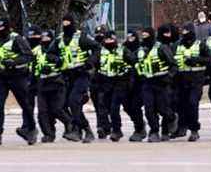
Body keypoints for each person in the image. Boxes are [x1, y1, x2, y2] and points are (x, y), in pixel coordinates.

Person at [0, 17, 36, 146]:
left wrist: (14, 62)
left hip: (17, 76)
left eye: (2, 27)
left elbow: (28, 56)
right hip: (2, 77)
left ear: (7, 27)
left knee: (25, 104)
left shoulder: (17, 39)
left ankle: (31, 129)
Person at [59, 13, 100, 143]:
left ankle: (86, 130)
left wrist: (90, 62)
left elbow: (96, 48)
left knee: (74, 101)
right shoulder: (60, 39)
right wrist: (54, 59)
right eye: (64, 23)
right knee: (63, 104)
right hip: (66, 76)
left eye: (68, 23)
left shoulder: (80, 37)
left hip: (81, 74)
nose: (66, 25)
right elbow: (51, 52)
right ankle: (77, 127)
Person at [96, 30, 138, 141]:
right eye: (107, 39)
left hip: (121, 82)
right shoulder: (101, 51)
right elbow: (93, 62)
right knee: (105, 107)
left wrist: (130, 78)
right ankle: (107, 127)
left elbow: (134, 62)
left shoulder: (122, 50)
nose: (108, 41)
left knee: (115, 107)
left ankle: (117, 130)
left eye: (111, 39)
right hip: (106, 82)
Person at [172, 22, 211, 142]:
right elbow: (171, 60)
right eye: (183, 32)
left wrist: (196, 61)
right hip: (181, 80)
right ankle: (182, 127)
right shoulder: (177, 45)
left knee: (192, 103)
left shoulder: (200, 45)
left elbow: (210, 59)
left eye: (186, 31)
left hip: (196, 80)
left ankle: (194, 130)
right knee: (180, 105)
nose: (184, 34)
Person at [137, 25, 177, 142]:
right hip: (147, 83)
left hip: (161, 82)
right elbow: (136, 63)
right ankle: (154, 131)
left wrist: (169, 77)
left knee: (163, 108)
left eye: (146, 35)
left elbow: (173, 65)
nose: (144, 38)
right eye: (142, 35)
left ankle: (170, 122)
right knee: (149, 109)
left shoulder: (161, 48)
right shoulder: (140, 50)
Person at [32, 29, 71, 142]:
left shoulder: (59, 49)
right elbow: (33, 66)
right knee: (42, 112)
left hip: (57, 82)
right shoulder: (37, 50)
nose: (45, 40)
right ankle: (48, 134)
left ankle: (70, 124)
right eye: (43, 38)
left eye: (47, 38)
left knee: (57, 109)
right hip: (42, 83)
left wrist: (54, 66)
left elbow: (65, 64)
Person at [124, 29, 147, 142]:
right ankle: (139, 125)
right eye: (128, 38)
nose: (130, 40)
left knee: (136, 106)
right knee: (127, 107)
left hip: (140, 82)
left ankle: (140, 129)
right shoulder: (123, 49)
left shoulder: (142, 50)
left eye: (132, 38)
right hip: (126, 83)